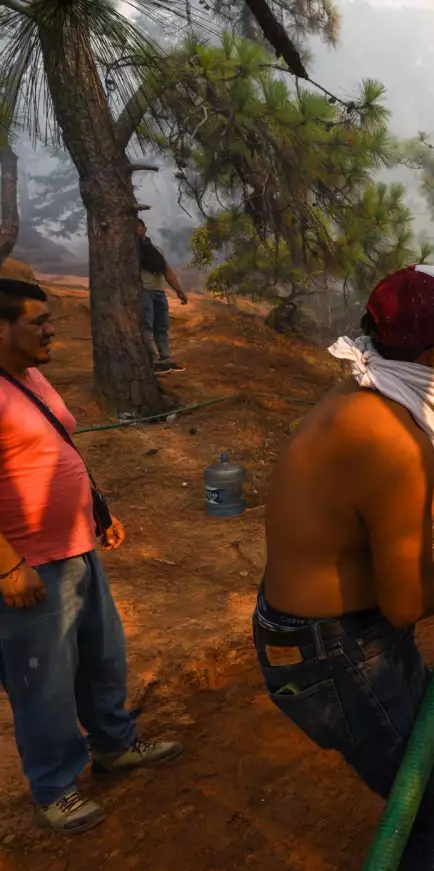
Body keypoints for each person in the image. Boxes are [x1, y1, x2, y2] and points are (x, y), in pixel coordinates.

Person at [253, 264, 434, 871]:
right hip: (337, 652)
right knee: (430, 812)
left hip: (333, 631)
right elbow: (405, 603)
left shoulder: (367, 387)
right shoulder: (391, 447)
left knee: (428, 751)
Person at [0, 278, 183, 835]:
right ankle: (55, 788)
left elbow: (58, 444)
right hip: (28, 565)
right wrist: (7, 565)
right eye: (39, 321)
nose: (52, 329)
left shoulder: (28, 377)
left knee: (104, 658)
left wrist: (98, 510)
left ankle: (114, 745)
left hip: (75, 548)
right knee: (45, 684)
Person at [137, 219, 188, 373]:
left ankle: (166, 359)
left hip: (159, 292)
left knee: (161, 327)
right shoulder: (129, 251)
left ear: (145, 228)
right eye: (133, 226)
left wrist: (179, 291)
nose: (137, 229)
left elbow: (167, 270)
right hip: (144, 291)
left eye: (139, 226)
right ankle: (153, 361)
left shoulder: (155, 250)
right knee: (146, 327)